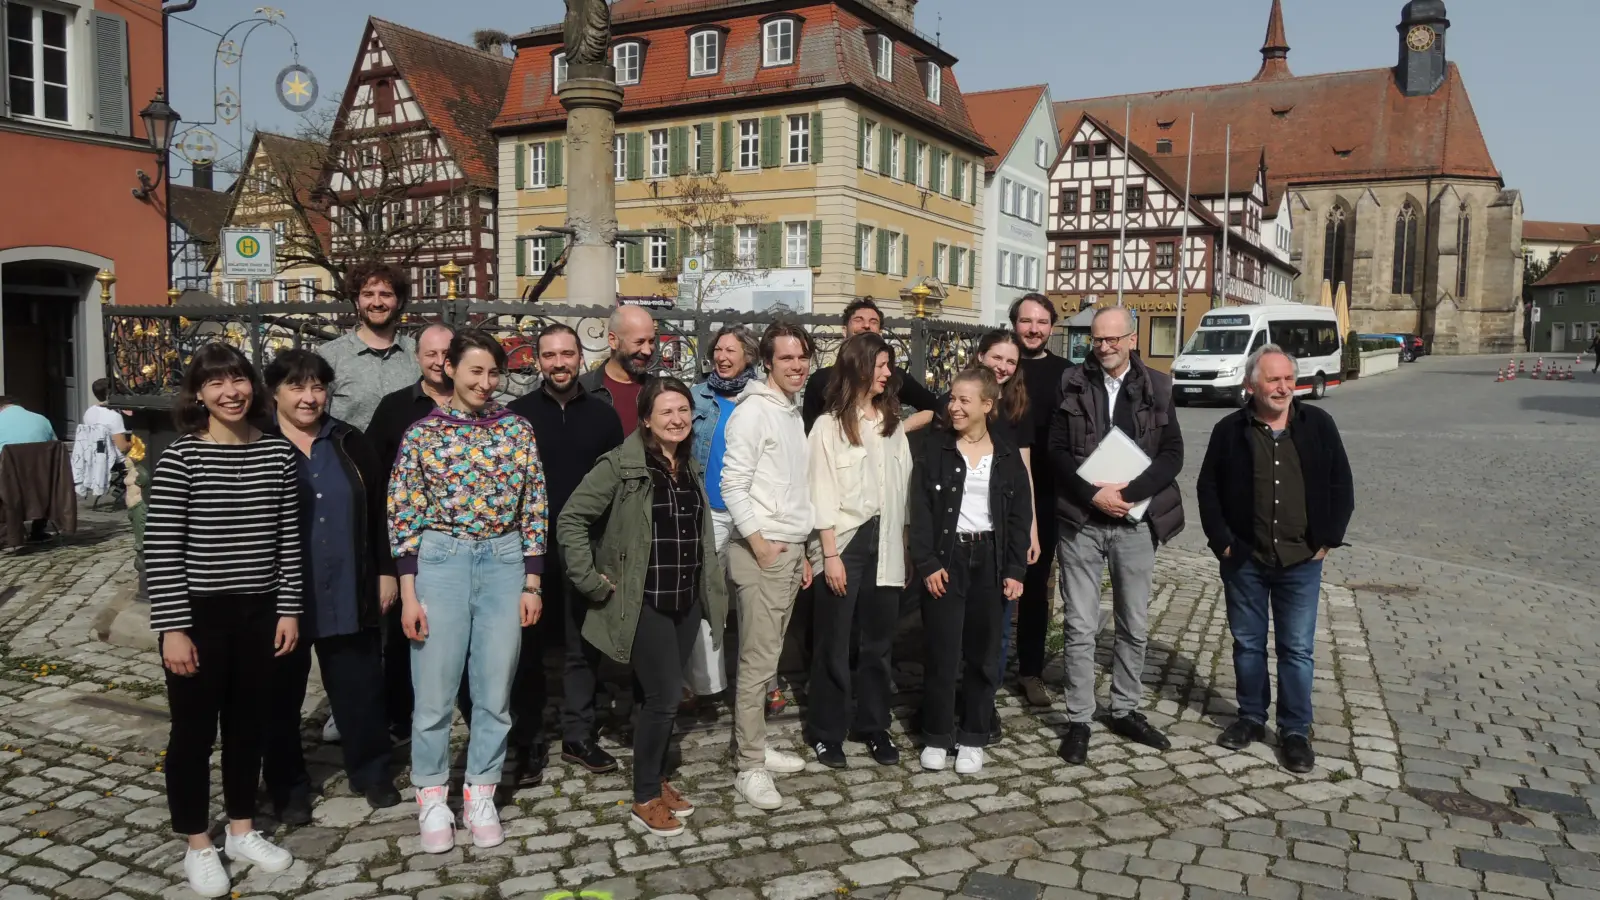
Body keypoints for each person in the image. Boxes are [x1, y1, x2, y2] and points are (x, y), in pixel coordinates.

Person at [145, 343, 300, 898]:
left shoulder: (276, 455)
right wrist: (173, 627)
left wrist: (288, 608)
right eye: (216, 384)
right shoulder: (182, 457)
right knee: (192, 732)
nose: (229, 392)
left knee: (246, 726)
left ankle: (240, 829)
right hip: (200, 615)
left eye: (237, 380)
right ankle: (198, 842)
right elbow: (161, 548)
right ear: (199, 394)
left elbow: (288, 540)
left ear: (252, 387)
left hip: (259, 612)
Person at [389, 329, 547, 852]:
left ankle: (481, 790)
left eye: (493, 372)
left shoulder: (517, 430)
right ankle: (432, 797)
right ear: (450, 370)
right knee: (433, 692)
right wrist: (410, 592)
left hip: (504, 562)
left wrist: (532, 581)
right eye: (474, 370)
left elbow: (535, 508)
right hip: (441, 561)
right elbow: (404, 514)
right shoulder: (422, 435)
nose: (485, 382)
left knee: (495, 690)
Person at [558, 377, 729, 837]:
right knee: (664, 697)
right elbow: (571, 519)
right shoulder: (621, 466)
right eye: (666, 411)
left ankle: (656, 777)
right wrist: (590, 580)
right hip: (643, 601)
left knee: (667, 698)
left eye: (683, 411)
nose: (676, 420)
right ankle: (645, 796)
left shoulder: (688, 466)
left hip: (684, 600)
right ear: (647, 419)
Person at [1196, 345, 1354, 774]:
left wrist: (1327, 539)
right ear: (1252, 386)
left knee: (1297, 649)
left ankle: (1294, 731)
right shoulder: (1230, 429)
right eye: (1273, 380)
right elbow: (1208, 487)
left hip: (1301, 558)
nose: (1283, 387)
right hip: (1245, 557)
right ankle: (1250, 718)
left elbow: (1341, 483)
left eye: (1288, 379)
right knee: (1248, 644)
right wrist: (1222, 541)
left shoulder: (1318, 424)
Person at [260, 350, 400, 826]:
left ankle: (372, 772)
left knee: (360, 688)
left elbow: (381, 510)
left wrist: (386, 570)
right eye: (297, 387)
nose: (309, 397)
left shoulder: (348, 441)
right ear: (275, 392)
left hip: (347, 586)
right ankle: (288, 786)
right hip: (281, 597)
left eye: (318, 387)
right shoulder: (258, 443)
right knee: (279, 698)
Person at [1047, 306, 1184, 766]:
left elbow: (1172, 454)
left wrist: (1127, 492)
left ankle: (1125, 708)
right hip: (1082, 522)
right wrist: (1093, 496)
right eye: (1096, 339)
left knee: (1134, 623)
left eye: (1111, 339)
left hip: (1135, 522)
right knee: (1080, 625)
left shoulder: (1159, 386)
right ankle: (1080, 718)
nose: (1102, 347)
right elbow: (1057, 452)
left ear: (1131, 338)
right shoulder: (1070, 382)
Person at [506, 324, 625, 782]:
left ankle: (579, 734)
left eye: (567, 354)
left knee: (582, 647)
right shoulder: (516, 416)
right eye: (550, 355)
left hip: (587, 550)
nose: (559, 363)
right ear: (538, 360)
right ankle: (529, 739)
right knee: (526, 649)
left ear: (581, 357)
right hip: (527, 552)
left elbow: (617, 488)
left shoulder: (602, 416)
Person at [911, 367, 1031, 775]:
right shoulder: (936, 448)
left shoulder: (1007, 452)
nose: (954, 407)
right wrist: (927, 562)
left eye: (964, 400)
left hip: (991, 561)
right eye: (952, 399)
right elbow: (921, 510)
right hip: (949, 560)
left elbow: (1018, 516)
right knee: (942, 652)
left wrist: (1015, 569)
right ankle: (937, 735)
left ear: (987, 405)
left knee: (983, 655)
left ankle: (974, 736)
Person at [804, 332, 913, 768]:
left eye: (889, 365)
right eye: (881, 365)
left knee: (878, 643)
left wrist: (904, 547)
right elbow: (820, 492)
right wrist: (829, 554)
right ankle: (826, 731)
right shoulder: (828, 427)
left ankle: (873, 725)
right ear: (860, 369)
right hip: (845, 542)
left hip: (885, 542)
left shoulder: (892, 425)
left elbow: (901, 489)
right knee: (834, 642)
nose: (888, 373)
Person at [720, 322, 816, 809]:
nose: (797, 366)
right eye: (787, 359)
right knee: (757, 661)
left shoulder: (789, 410)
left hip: (786, 548)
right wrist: (761, 544)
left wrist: (800, 549)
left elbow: (791, 486)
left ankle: (754, 745)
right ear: (767, 363)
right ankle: (749, 765)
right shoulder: (754, 412)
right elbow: (732, 484)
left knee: (769, 657)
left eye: (803, 357)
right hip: (763, 551)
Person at [365, 322, 454, 741]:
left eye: (446, 354)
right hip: (409, 541)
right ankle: (401, 717)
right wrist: (385, 560)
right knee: (404, 635)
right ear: (417, 358)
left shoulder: (474, 403)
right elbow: (376, 482)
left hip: (461, 543)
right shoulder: (396, 408)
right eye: (430, 354)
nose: (439, 363)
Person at [685, 325, 759, 707]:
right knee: (709, 596)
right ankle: (707, 684)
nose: (722, 357)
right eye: (719, 350)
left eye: (731, 350)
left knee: (753, 603)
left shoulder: (762, 398)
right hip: (710, 510)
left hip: (752, 512)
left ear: (748, 355)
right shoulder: (697, 396)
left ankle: (760, 681)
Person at [1010, 293, 1070, 709]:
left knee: (1035, 583)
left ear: (1051, 326)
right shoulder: (997, 366)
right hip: (995, 490)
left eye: (1042, 322)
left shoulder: (1067, 373)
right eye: (1026, 321)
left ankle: (1029, 669)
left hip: (1047, 492)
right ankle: (983, 665)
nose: (1033, 328)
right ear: (1013, 323)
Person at [801, 298, 938, 433]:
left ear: (880, 333)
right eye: (858, 320)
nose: (866, 325)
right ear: (844, 330)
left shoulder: (893, 376)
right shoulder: (820, 380)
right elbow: (809, 433)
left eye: (873, 322)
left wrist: (900, 430)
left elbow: (935, 407)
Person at [317, 261, 419, 432]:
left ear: (400, 302)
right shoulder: (329, 356)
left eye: (386, 294)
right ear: (357, 301)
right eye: (368, 294)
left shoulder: (417, 354)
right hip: (349, 457)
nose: (377, 302)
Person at [578, 304, 657, 435]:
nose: (647, 351)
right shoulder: (581, 390)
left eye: (651, 341)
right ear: (613, 340)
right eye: (639, 342)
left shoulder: (658, 390)